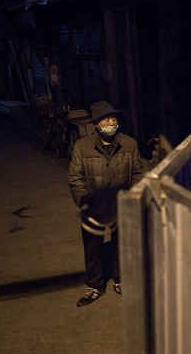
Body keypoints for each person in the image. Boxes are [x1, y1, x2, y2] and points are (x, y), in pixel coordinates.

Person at [69, 100, 144, 307]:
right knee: (93, 248)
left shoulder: (129, 144)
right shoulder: (82, 146)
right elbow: (76, 177)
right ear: (96, 124)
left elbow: (138, 173)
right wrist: (85, 201)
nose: (110, 122)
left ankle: (120, 280)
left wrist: (132, 198)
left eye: (113, 118)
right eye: (105, 119)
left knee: (122, 244)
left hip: (121, 203)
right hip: (94, 205)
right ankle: (95, 286)